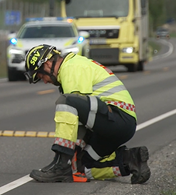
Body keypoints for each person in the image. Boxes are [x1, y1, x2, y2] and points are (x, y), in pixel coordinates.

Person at [23, 44, 150, 184]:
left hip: (117, 117)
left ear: (47, 64)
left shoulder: (71, 68)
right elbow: (84, 117)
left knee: (66, 102)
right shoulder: (71, 67)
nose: (45, 81)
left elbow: (76, 118)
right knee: (81, 167)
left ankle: (60, 165)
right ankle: (130, 161)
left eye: (41, 76)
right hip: (113, 123)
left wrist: (67, 156)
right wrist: (76, 157)